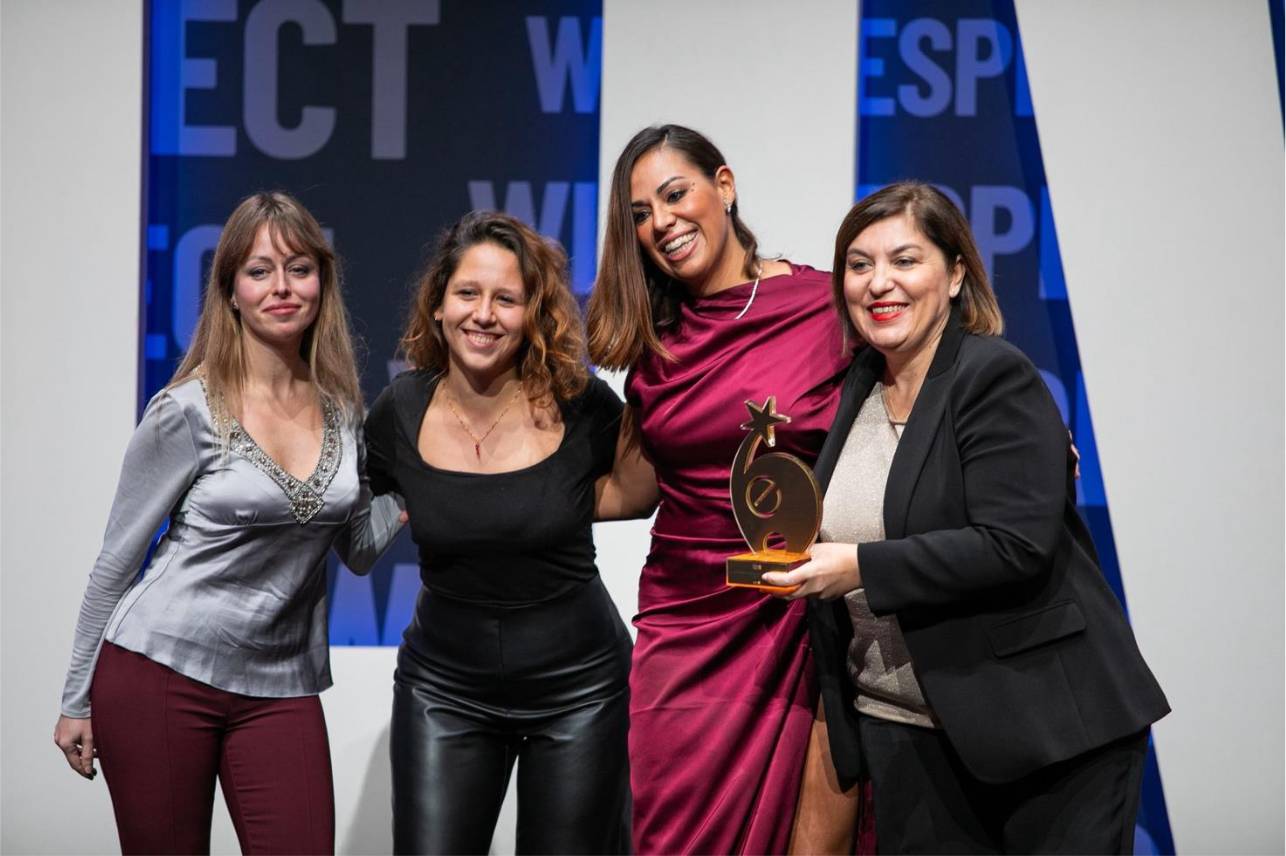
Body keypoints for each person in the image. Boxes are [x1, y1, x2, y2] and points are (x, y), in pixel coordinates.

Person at [763, 181, 1170, 854]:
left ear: (954, 275)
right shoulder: (857, 384)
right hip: (904, 731)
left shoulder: (993, 375)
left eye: (905, 260)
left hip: (1045, 729)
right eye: (859, 265)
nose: (879, 282)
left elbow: (1014, 546)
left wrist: (859, 567)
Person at [53, 191, 405, 854]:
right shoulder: (186, 410)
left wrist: (423, 485)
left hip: (282, 683)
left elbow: (357, 549)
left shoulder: (343, 412)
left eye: (299, 269)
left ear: (322, 283)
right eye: (259, 271)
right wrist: (76, 698)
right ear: (231, 291)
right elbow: (117, 562)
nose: (282, 287)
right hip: (160, 671)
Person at [586, 124, 855, 854]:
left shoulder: (826, 307)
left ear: (725, 186)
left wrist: (1022, 437)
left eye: (675, 195)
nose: (662, 223)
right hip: (686, 629)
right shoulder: (655, 348)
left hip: (801, 619)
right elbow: (632, 489)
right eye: (641, 214)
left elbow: (926, 385)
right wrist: (495, 497)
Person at [365, 211, 647, 855]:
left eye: (507, 299)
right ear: (439, 305)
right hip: (444, 691)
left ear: (533, 314)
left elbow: (638, 492)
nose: (484, 315)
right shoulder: (399, 410)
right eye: (467, 293)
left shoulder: (580, 403)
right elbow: (351, 508)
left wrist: (551, 508)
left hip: (582, 692)